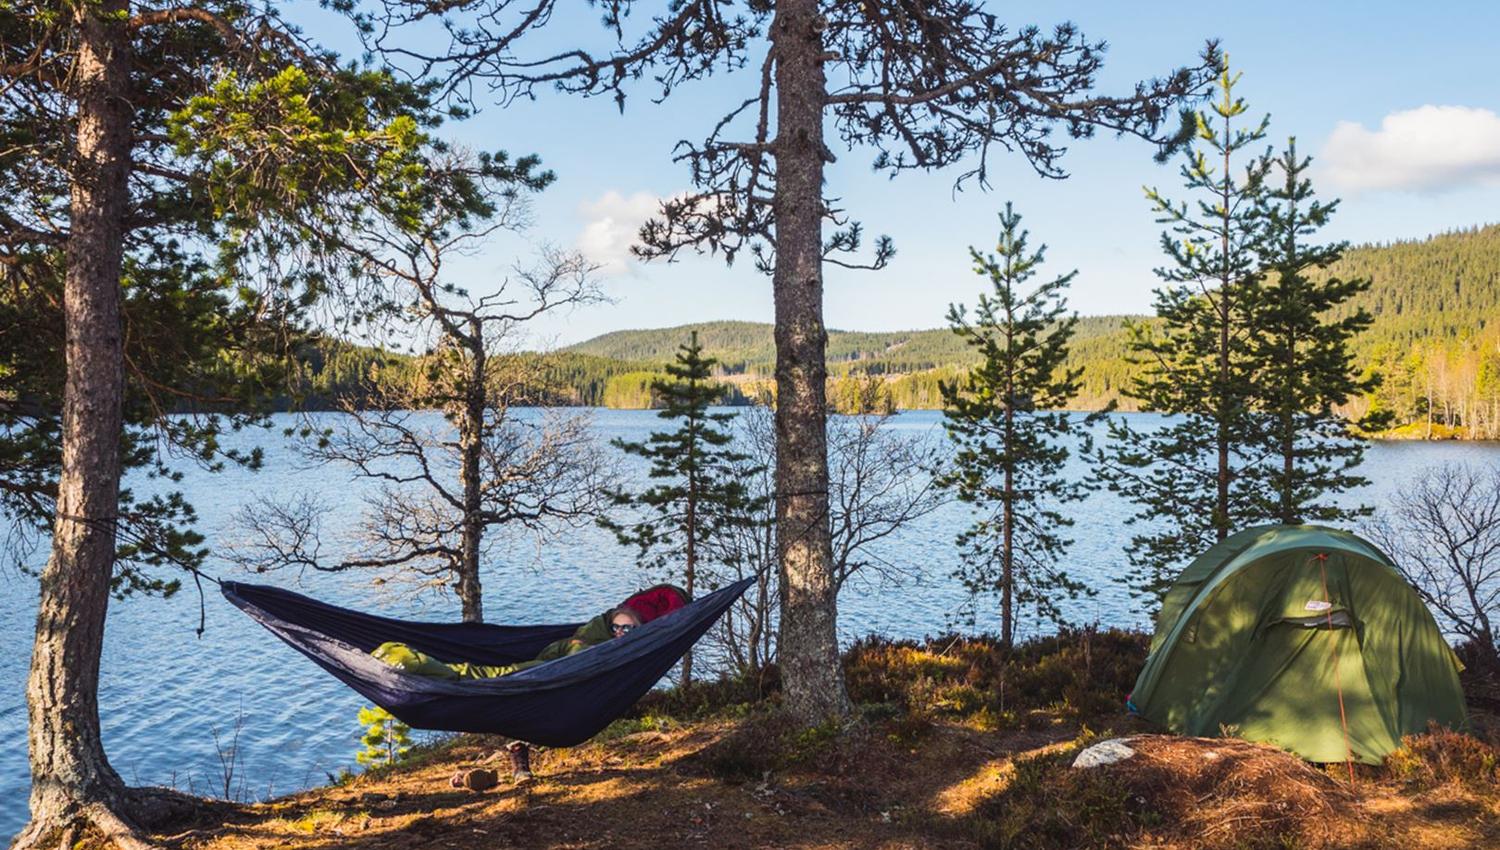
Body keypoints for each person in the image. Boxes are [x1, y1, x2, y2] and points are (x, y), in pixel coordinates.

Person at [372, 603, 653, 784]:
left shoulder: (616, 651)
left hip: (549, 682)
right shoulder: (589, 642)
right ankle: (408, 660)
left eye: (627, 628)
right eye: (616, 626)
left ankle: (410, 661)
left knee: (479, 676)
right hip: (541, 674)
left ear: (638, 630)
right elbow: (564, 652)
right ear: (608, 627)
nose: (620, 632)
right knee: (479, 676)